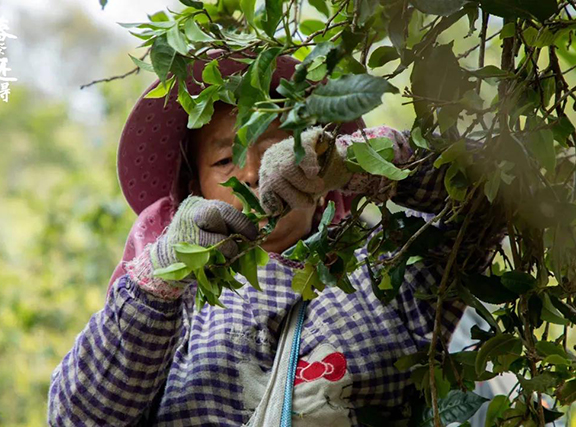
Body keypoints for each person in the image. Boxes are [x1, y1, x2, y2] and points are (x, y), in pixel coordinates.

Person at [47, 54, 504, 426]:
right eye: (226, 159)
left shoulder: (386, 274)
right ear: (195, 190)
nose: (251, 173)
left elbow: (492, 194)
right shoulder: (171, 314)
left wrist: (351, 160)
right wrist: (161, 277)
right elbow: (76, 418)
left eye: (274, 149)